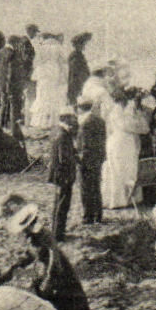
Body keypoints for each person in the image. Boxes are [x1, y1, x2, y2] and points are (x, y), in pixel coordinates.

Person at [0, 203, 94, 310]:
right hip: (43, 269)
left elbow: (53, 256)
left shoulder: (44, 234)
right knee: (43, 295)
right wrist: (12, 269)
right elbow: (30, 255)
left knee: (64, 296)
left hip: (57, 269)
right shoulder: (31, 238)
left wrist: (49, 277)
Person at [101, 92, 147, 209]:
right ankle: (118, 200)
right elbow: (127, 125)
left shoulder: (124, 111)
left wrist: (137, 119)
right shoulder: (116, 111)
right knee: (118, 171)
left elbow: (143, 127)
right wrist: (137, 121)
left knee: (128, 170)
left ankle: (129, 198)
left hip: (126, 144)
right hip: (119, 144)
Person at [47, 111, 78, 241]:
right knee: (62, 204)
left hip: (58, 174)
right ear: (65, 119)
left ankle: (57, 231)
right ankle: (58, 233)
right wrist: (75, 160)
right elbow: (64, 157)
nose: (74, 121)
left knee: (59, 202)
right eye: (72, 118)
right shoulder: (63, 135)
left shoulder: (56, 130)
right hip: (63, 174)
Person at [29, 33, 68, 133]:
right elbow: (63, 61)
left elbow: (36, 62)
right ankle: (53, 121)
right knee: (53, 97)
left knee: (42, 96)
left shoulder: (41, 48)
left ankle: (42, 122)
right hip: (54, 72)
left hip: (43, 74)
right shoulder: (58, 47)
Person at [75, 101, 106, 225]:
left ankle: (88, 216)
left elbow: (85, 145)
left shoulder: (85, 123)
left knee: (86, 189)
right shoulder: (100, 120)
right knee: (96, 188)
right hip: (97, 159)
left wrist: (80, 159)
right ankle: (98, 215)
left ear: (81, 109)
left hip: (87, 160)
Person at [0, 33, 27, 135]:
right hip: (13, 86)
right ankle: (15, 132)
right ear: (14, 43)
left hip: (2, 84)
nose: (19, 46)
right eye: (18, 44)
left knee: (4, 106)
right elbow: (11, 73)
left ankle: (0, 129)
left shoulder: (0, 52)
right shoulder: (13, 54)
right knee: (15, 109)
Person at [67, 32, 93, 107]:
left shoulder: (78, 56)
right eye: (83, 44)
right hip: (76, 86)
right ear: (78, 45)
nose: (84, 46)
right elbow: (75, 74)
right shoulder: (76, 57)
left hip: (78, 86)